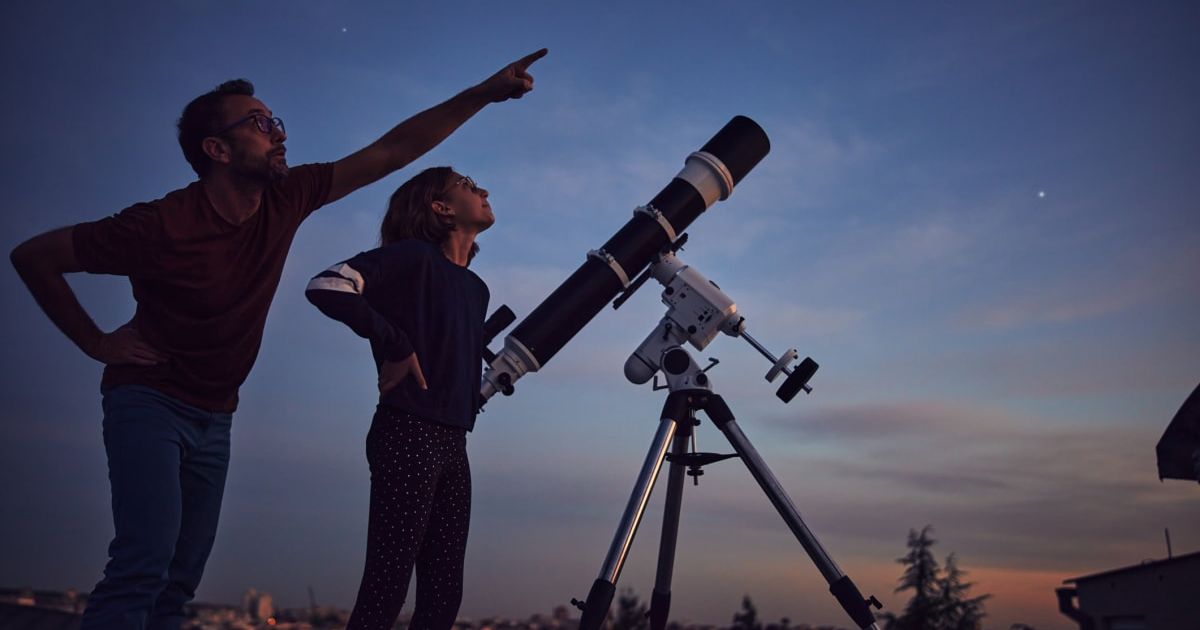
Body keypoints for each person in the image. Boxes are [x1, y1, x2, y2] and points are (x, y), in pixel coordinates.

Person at [9, 49, 546, 630]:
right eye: (260, 124)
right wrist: (95, 341)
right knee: (144, 563)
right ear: (217, 149)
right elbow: (35, 257)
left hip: (217, 413)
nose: (278, 133)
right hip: (149, 400)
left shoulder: (285, 198)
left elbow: (391, 152)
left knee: (179, 581)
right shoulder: (159, 225)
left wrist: (481, 94)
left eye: (277, 121)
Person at [305, 166, 494, 629]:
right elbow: (327, 285)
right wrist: (395, 342)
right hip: (408, 431)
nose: (483, 190)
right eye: (468, 186)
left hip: (454, 442)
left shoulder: (476, 287)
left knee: (443, 595)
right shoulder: (412, 258)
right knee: (386, 587)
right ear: (441, 207)